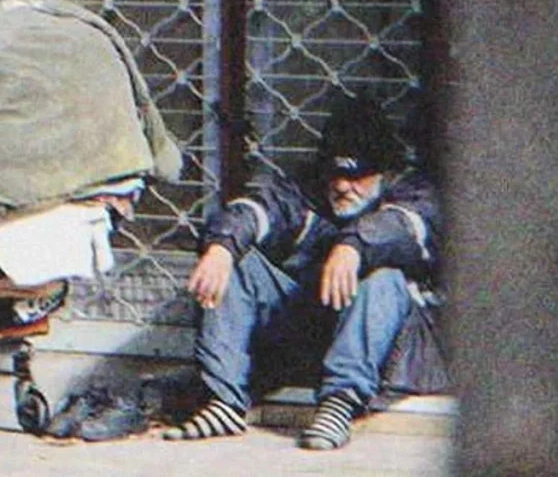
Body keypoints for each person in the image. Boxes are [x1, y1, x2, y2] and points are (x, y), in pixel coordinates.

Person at [163, 95, 443, 450]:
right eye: (337, 174)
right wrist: (222, 245)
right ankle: (224, 401)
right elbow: (259, 208)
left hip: (387, 358)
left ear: (385, 173)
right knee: (238, 263)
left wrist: (354, 245)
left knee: (384, 278)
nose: (343, 186)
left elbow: (405, 226)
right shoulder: (310, 191)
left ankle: (339, 405)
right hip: (313, 338)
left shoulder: (415, 194)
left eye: (358, 177)